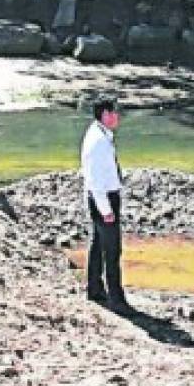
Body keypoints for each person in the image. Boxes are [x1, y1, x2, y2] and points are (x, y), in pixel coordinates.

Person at [81, 96, 130, 313]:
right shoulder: (98, 141)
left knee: (99, 244)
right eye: (114, 113)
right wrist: (106, 210)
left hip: (103, 197)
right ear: (105, 115)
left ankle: (95, 288)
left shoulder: (100, 134)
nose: (117, 117)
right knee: (112, 250)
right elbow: (95, 179)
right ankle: (116, 298)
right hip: (103, 199)